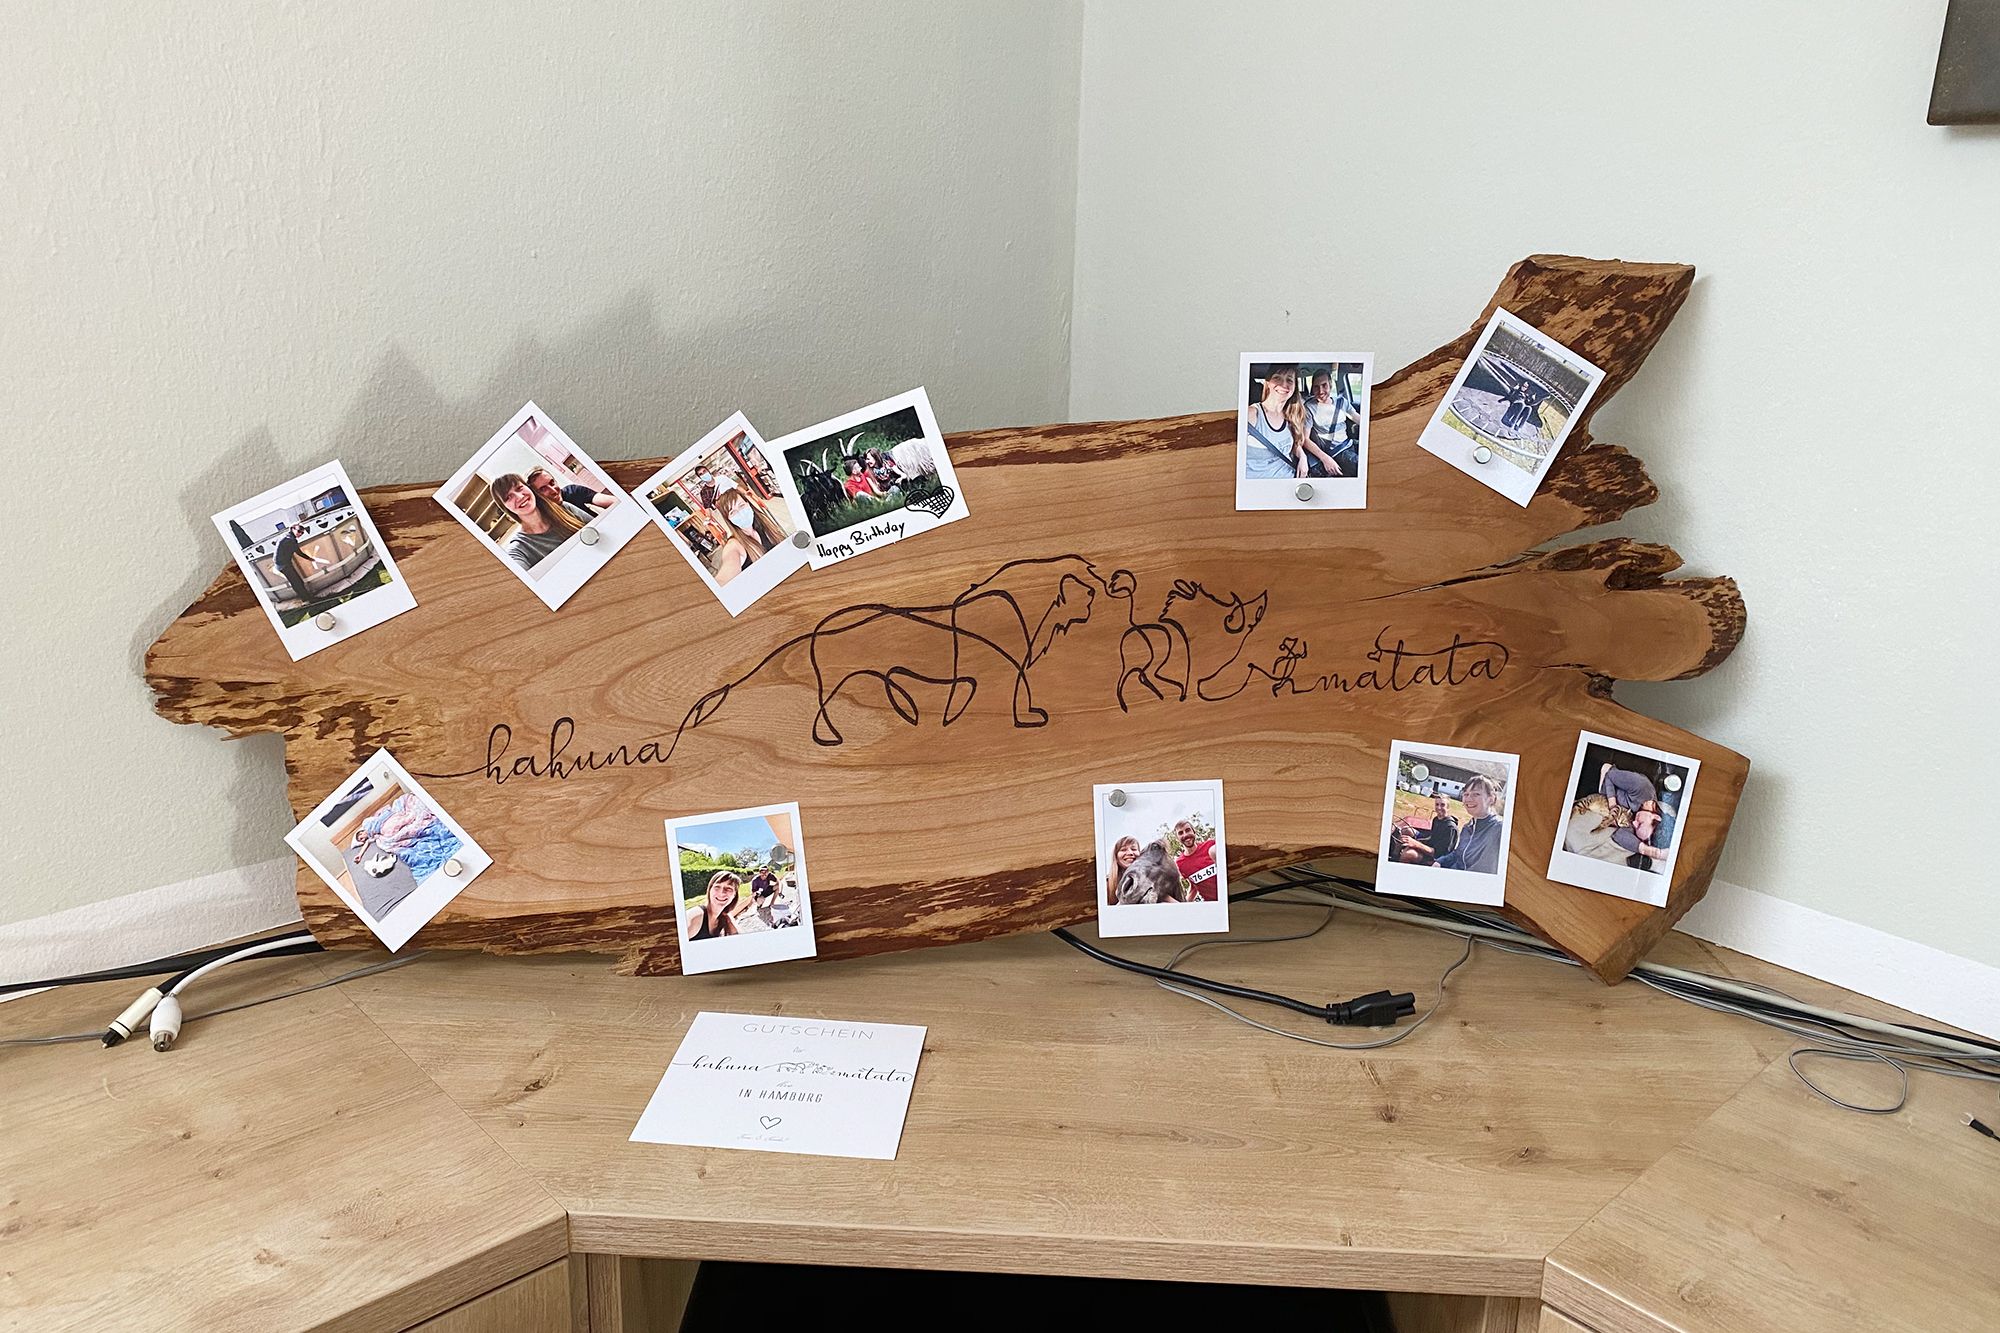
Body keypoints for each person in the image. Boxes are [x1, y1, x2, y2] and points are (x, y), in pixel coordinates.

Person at [489, 472, 590, 571]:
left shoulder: (565, 509)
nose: (520, 497)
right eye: (508, 497)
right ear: (505, 508)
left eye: (519, 488)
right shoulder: (518, 550)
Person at [1243, 364, 1307, 479]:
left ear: (1294, 387)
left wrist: (1303, 457)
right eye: (1277, 378)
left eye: (1289, 380)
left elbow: (1294, 443)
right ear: (1267, 383)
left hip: (1290, 479)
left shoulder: (1291, 415)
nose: (1283, 384)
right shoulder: (1251, 414)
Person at [1434, 775, 1504, 874]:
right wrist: (1439, 862)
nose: (1468, 799)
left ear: (1491, 799)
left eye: (1476, 794)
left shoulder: (1499, 830)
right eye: (1466, 794)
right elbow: (1457, 855)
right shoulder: (1467, 828)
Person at [1301, 370, 1358, 478]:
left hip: (1349, 443)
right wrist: (1325, 458)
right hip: (1337, 452)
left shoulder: (1342, 402)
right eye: (1316, 387)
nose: (1320, 391)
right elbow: (1305, 439)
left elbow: (1359, 419)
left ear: (1331, 385)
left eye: (1324, 385)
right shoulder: (1309, 408)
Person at [270, 522, 328, 605]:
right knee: (297, 583)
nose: (300, 534)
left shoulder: (285, 536)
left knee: (296, 582)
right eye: (299, 531)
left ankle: (306, 597)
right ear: (292, 529)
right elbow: (298, 552)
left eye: (302, 532)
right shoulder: (290, 540)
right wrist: (309, 558)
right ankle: (306, 599)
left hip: (280, 564)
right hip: (284, 565)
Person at [1393, 794, 1459, 865]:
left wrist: (1415, 844)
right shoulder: (1436, 820)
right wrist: (1419, 841)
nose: (1439, 808)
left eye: (1442, 805)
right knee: (1406, 830)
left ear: (1448, 807)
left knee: (1408, 854)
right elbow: (1432, 838)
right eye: (1437, 804)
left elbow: (1438, 853)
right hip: (1430, 848)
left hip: (1437, 859)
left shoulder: (1450, 828)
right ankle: (1394, 857)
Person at [687, 870, 749, 940]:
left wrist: (729, 921)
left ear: (734, 895)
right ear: (710, 890)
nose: (721, 892)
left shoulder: (724, 918)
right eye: (717, 887)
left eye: (728, 888)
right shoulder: (696, 916)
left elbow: (743, 940)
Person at [527, 467, 614, 516]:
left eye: (552, 483)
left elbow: (610, 501)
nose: (553, 491)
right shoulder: (543, 517)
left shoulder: (572, 491)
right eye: (543, 489)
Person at [1172, 819, 1221, 901]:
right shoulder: (1180, 864)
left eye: (1188, 830)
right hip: (1212, 904)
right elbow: (1194, 885)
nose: (1185, 835)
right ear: (1177, 838)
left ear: (1193, 831)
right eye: (1180, 833)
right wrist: (1184, 905)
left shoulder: (1212, 845)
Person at [1104, 836, 1141, 905]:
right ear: (1116, 856)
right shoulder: (1105, 884)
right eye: (1123, 849)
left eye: (1134, 849)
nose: (1130, 853)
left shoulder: (1150, 882)